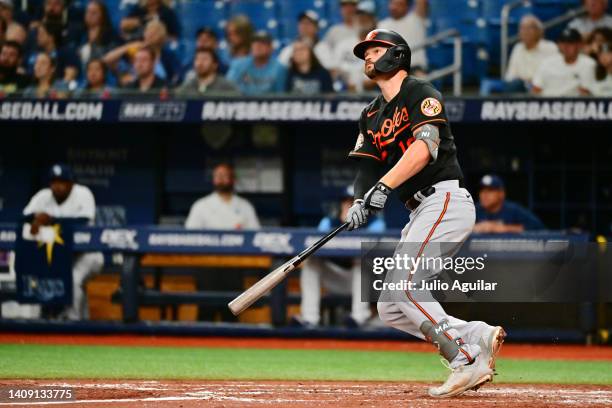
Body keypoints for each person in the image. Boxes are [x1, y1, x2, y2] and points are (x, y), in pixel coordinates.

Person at [345, 28, 505, 397]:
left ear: (397, 54)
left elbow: (424, 149)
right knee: (390, 307)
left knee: (404, 284)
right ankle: (476, 335)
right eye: (365, 52)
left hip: (444, 199)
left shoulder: (421, 92)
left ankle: (463, 358)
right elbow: (366, 169)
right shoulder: (370, 114)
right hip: (419, 210)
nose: (367, 56)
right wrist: (359, 199)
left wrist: (384, 186)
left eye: (375, 49)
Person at [295, 186, 385, 328]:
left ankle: (359, 317)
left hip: (367, 283)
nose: (350, 206)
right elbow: (316, 249)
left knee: (360, 262)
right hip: (336, 278)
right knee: (311, 263)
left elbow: (374, 253)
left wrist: (351, 228)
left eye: (356, 202)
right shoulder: (328, 223)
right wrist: (343, 225)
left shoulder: (375, 224)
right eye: (347, 202)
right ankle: (309, 318)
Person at [23, 164, 103, 320]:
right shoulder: (43, 196)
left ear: (71, 183)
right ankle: (40, 323)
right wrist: (35, 219)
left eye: (62, 182)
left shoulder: (83, 193)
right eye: (54, 182)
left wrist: (50, 220)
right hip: (57, 256)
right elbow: (25, 217)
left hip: (86, 255)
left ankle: (72, 325)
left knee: (72, 279)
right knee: (36, 278)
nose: (57, 186)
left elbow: (82, 221)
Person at [103, 20, 180, 86]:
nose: (150, 34)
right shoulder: (135, 50)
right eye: (148, 31)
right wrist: (127, 47)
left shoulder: (168, 55)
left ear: (162, 36)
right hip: (135, 89)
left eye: (155, 32)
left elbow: (177, 76)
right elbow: (107, 60)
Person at [185, 163, 260, 230]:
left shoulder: (245, 206)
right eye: (217, 176)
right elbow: (190, 236)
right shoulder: (200, 205)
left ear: (233, 179)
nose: (220, 179)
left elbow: (255, 234)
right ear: (213, 179)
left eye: (224, 175)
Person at [532, 28, 596, 96]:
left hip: (572, 103)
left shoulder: (588, 64)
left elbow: (585, 93)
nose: (566, 46)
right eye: (563, 42)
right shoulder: (547, 62)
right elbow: (536, 89)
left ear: (579, 45)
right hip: (546, 103)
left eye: (570, 43)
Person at [473, 175, 544, 233]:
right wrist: (473, 229)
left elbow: (538, 227)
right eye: (482, 191)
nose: (484, 195)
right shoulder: (473, 210)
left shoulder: (513, 210)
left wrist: (504, 228)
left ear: (501, 194)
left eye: (490, 190)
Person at [333, 0, 378, 92]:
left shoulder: (382, 46)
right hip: (345, 94)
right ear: (355, 19)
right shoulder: (343, 45)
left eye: (367, 16)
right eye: (360, 16)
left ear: (374, 20)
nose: (363, 19)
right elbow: (335, 71)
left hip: (373, 96)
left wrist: (365, 85)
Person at [504, 15, 558, 90]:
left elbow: (555, 74)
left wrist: (534, 82)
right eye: (522, 28)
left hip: (542, 88)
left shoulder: (550, 48)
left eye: (529, 28)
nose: (525, 32)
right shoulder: (517, 48)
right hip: (520, 88)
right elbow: (510, 76)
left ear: (539, 31)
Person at [226, 31, 286, 95]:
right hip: (241, 102)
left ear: (271, 48)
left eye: (263, 43)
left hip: (268, 103)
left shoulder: (279, 68)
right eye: (254, 42)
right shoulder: (238, 64)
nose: (257, 45)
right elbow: (228, 88)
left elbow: (280, 96)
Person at [378, 0, 427, 69]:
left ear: (406, 7)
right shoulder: (381, 25)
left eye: (399, 4)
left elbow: (422, 2)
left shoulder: (416, 19)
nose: (394, 7)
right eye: (392, 3)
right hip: (391, 70)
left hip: (415, 67)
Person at [77, 0, 118, 67]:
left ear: (102, 15)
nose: (89, 15)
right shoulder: (81, 34)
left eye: (94, 13)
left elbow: (111, 57)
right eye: (88, 12)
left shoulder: (110, 35)